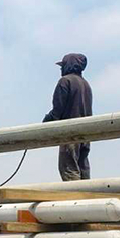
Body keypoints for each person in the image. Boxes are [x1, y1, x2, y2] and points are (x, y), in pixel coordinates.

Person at [43, 53, 92, 181]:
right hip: (87, 134)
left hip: (70, 132)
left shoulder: (65, 82)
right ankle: (88, 197)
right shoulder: (86, 84)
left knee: (69, 169)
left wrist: (47, 122)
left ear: (69, 65)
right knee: (83, 169)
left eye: (62, 66)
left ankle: (76, 199)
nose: (61, 69)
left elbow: (58, 110)